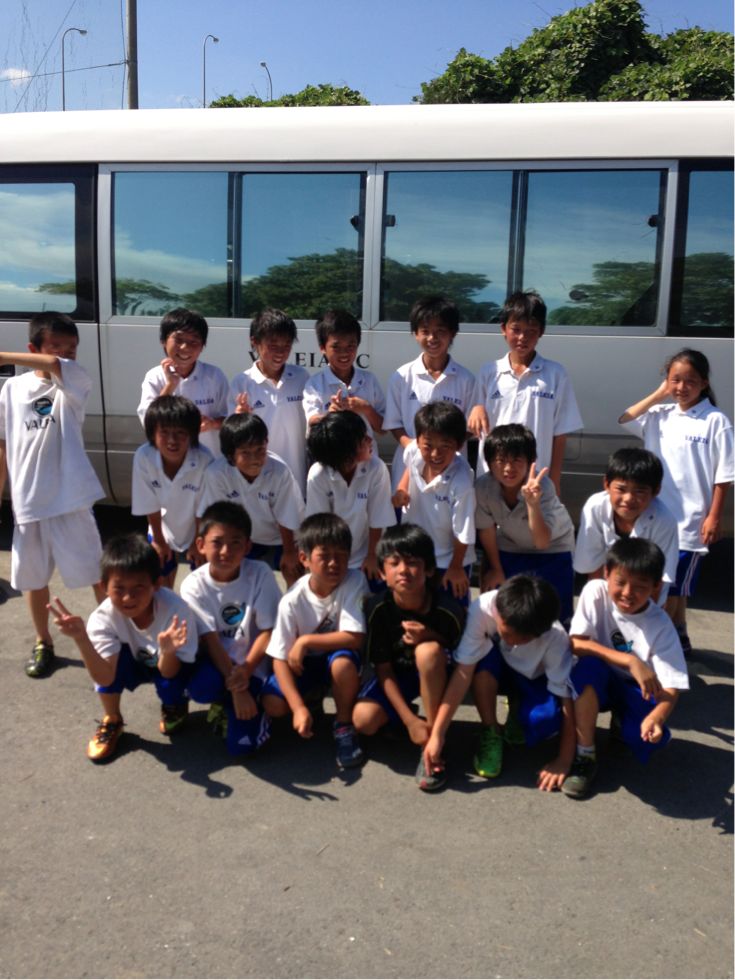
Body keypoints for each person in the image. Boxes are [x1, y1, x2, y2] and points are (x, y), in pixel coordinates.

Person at [0, 313, 105, 678]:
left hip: (71, 499)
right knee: (33, 579)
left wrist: (2, 355)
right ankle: (43, 641)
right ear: (34, 348)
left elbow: (55, 366)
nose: (65, 354)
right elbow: (3, 444)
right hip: (28, 502)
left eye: (71, 348)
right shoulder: (11, 390)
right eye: (56, 347)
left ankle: (115, 638)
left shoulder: (74, 378)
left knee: (96, 573)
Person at [619, 348, 733, 653]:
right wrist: (659, 394)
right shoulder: (660, 415)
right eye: (675, 380)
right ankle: (677, 637)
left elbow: (724, 475)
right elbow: (625, 418)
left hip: (690, 523)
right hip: (654, 517)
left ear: (704, 383)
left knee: (669, 588)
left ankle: (655, 648)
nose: (682, 387)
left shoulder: (715, 421)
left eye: (690, 381)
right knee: (661, 581)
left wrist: (713, 516)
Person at [48, 533, 199, 762]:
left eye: (139, 587)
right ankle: (112, 719)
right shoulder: (102, 618)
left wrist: (168, 651)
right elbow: (105, 677)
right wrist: (81, 639)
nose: (128, 598)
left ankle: (174, 705)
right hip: (132, 658)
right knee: (104, 661)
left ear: (157, 584)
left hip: (166, 662)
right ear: (104, 587)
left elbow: (169, 672)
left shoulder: (177, 611)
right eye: (119, 588)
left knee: (172, 682)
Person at [423, 575, 576, 791]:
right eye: (508, 632)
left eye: (524, 639)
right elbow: (463, 673)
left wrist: (565, 759)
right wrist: (437, 734)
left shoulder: (556, 637)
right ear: (498, 612)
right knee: (481, 658)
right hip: (494, 666)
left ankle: (518, 705)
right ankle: (491, 730)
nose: (513, 641)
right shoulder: (483, 608)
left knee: (544, 721)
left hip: (530, 676)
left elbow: (566, 698)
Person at [566, 538, 689, 799]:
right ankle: (585, 754)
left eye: (640, 586)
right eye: (620, 582)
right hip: (601, 676)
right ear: (606, 573)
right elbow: (576, 643)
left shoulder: (661, 624)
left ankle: (623, 719)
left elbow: (672, 686)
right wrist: (630, 661)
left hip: (635, 687)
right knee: (586, 669)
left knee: (645, 736)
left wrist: (657, 718)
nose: (627, 593)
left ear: (656, 586)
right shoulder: (595, 591)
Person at [352, 524, 465, 791]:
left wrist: (429, 636)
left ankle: (433, 746)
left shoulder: (448, 610)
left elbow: (462, 662)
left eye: (413, 563)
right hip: (397, 676)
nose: (403, 570)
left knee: (428, 652)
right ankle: (410, 721)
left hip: (438, 676)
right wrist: (409, 720)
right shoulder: (377, 609)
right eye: (394, 563)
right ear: (383, 573)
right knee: (363, 720)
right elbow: (383, 670)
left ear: (429, 570)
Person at [261, 514, 370, 770]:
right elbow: (279, 659)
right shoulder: (292, 600)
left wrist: (306, 640)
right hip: (305, 664)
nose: (334, 563)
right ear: (304, 558)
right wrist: (297, 707)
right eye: (324, 555)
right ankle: (308, 701)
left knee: (343, 664)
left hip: (336, 658)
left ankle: (343, 725)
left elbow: (355, 637)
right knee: (273, 704)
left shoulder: (355, 581)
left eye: (341, 554)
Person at [180, 501, 281, 756]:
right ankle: (225, 701)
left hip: (253, 666)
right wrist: (238, 688)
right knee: (199, 687)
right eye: (217, 542)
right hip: (221, 666)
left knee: (241, 749)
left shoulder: (260, 573)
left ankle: (258, 706)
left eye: (235, 543)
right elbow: (211, 639)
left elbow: (268, 632)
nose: (226, 551)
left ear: (247, 546)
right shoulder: (193, 585)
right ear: (201, 545)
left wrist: (246, 671)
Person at [468, 291, 582, 494]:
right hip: (492, 477)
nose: (522, 337)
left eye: (531, 331)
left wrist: (554, 480)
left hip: (535, 479)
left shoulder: (555, 374)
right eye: (516, 329)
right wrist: (477, 408)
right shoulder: (489, 372)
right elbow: (474, 417)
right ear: (503, 329)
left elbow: (560, 434)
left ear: (541, 332)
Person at [475, 423, 575, 625]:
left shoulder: (543, 486)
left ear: (531, 461)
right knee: (508, 614)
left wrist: (532, 504)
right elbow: (486, 530)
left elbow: (542, 542)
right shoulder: (483, 486)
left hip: (554, 548)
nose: (508, 468)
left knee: (552, 617)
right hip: (511, 544)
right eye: (500, 460)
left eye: (516, 460)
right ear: (489, 462)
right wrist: (495, 568)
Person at [199, 413, 304, 587]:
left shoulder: (279, 471)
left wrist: (289, 552)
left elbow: (286, 517)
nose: (254, 459)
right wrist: (229, 549)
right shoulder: (216, 474)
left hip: (283, 536)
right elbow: (221, 518)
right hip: (245, 535)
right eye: (245, 453)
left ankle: (293, 603)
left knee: (292, 568)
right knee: (232, 574)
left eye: (260, 450)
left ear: (267, 444)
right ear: (230, 455)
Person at [383, 295, 475, 492]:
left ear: (452, 333)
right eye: (425, 331)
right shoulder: (401, 377)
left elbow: (469, 427)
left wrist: (447, 449)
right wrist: (414, 448)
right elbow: (394, 424)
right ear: (415, 334)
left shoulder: (466, 379)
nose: (432, 338)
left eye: (440, 331)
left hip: (453, 469)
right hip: (408, 470)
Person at [392, 401, 475, 604]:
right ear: (418, 440)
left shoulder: (462, 482)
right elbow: (410, 465)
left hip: (449, 561)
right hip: (414, 554)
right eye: (428, 446)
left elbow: (463, 532)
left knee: (448, 613)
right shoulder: (414, 450)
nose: (436, 454)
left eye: (445, 446)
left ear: (459, 445)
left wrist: (456, 567)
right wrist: (402, 489)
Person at [574, 447, 679, 604]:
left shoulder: (664, 520)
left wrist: (643, 614)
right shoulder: (595, 507)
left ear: (656, 491)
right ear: (606, 484)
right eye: (621, 489)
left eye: (640, 491)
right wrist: (601, 608)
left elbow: (658, 579)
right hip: (606, 589)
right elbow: (592, 567)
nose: (629, 498)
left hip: (645, 597)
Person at [132, 395, 212, 589]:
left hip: (198, 527)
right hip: (162, 528)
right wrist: (159, 541)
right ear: (152, 433)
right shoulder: (144, 457)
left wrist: (197, 541)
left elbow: (203, 507)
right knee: (160, 583)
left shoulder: (204, 459)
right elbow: (148, 503)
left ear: (193, 434)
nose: (172, 440)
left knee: (203, 582)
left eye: (180, 433)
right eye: (164, 432)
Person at [305, 411, 395, 584]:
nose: (370, 440)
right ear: (345, 453)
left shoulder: (376, 468)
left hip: (368, 552)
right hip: (332, 554)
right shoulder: (318, 475)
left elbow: (378, 518)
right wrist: (333, 562)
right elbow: (321, 527)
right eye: (362, 439)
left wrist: (372, 556)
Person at [230, 308, 309, 494]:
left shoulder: (302, 377)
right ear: (255, 341)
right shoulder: (242, 383)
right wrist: (239, 419)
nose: (280, 352)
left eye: (286, 345)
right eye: (273, 345)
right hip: (258, 483)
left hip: (297, 480)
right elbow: (232, 437)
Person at [137, 308, 229, 459]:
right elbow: (148, 423)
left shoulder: (214, 376)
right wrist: (170, 385)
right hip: (169, 463)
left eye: (194, 341)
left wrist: (212, 424)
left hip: (209, 462)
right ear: (163, 341)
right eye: (178, 340)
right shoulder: (154, 377)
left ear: (202, 346)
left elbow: (231, 418)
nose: (185, 347)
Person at [302, 309, 385, 440]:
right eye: (336, 347)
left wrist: (366, 408)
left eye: (350, 346)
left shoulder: (369, 380)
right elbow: (312, 423)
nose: (344, 353)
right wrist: (331, 414)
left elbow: (383, 429)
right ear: (322, 348)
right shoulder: (314, 384)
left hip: (366, 453)